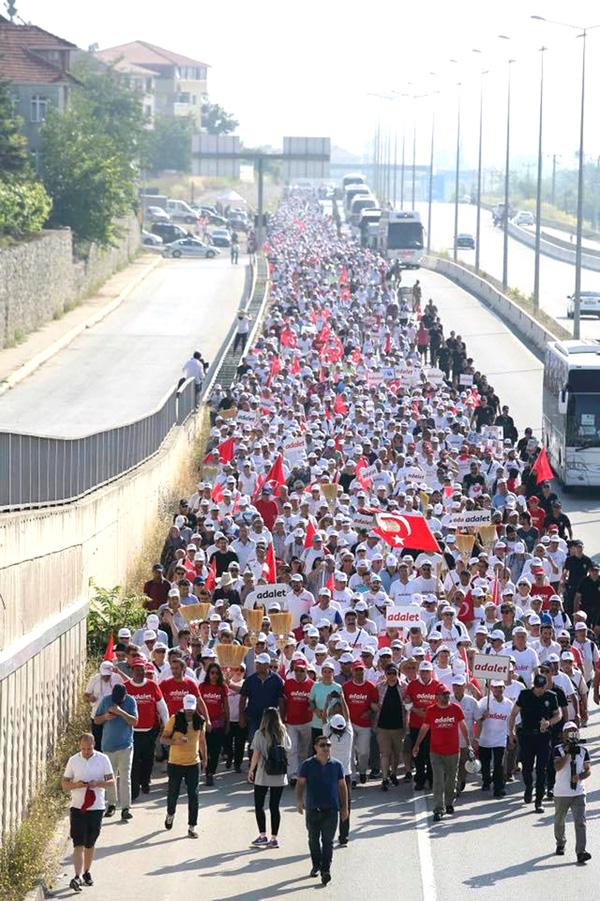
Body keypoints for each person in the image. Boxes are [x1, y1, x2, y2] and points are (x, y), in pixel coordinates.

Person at [62, 733, 114, 893]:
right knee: (78, 842)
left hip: (96, 807)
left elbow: (112, 782)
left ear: (94, 745)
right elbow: (64, 783)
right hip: (78, 807)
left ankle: (86, 872)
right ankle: (76, 876)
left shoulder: (103, 759)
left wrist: (98, 783)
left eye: (89, 749)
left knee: (90, 842)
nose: (86, 752)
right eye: (83, 749)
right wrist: (76, 785)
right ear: (79, 747)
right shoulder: (73, 760)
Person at [412, 684, 471, 821]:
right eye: (442, 694)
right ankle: (438, 808)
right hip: (436, 751)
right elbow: (425, 728)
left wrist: (468, 745)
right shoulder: (431, 711)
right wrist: (417, 745)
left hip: (452, 751)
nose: (446, 696)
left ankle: (449, 802)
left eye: (447, 694)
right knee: (438, 780)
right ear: (436, 697)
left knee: (451, 779)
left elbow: (463, 726)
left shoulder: (456, 709)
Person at [296, 734, 349, 886]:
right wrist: (299, 801)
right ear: (315, 748)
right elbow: (300, 784)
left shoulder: (337, 765)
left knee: (328, 841)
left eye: (328, 745)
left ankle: (326, 870)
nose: (326, 748)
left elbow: (342, 786)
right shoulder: (307, 764)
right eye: (322, 745)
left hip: (331, 810)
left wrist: (344, 808)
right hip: (313, 809)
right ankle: (316, 865)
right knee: (313, 839)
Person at [508, 672, 562, 812]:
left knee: (541, 769)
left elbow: (558, 714)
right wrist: (511, 732)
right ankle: (528, 787)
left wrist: (549, 722)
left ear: (545, 687)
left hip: (543, 737)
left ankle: (539, 800)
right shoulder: (525, 695)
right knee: (526, 767)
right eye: (537, 687)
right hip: (527, 736)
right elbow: (513, 713)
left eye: (541, 687)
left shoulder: (551, 696)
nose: (539, 690)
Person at [162, 694, 207, 838]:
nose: (189, 712)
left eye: (191, 709)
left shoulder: (199, 721)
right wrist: (176, 742)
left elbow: (202, 741)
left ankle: (192, 826)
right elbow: (163, 739)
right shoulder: (174, 720)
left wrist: (204, 758)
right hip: (175, 763)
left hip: (193, 763)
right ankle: (170, 814)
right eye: (187, 709)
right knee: (173, 793)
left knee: (194, 795)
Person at [248, 707, 292, 848]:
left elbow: (256, 754)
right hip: (279, 774)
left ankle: (262, 835)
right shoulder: (283, 732)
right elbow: (288, 749)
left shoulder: (260, 733)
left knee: (259, 805)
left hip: (263, 773)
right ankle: (274, 838)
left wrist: (251, 770)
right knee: (275, 806)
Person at [94, 684, 138, 821]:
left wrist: (121, 712)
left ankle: (125, 808)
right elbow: (96, 720)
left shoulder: (130, 701)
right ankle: (111, 805)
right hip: (108, 746)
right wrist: (105, 717)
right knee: (110, 777)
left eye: (119, 700)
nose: (116, 702)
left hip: (125, 746)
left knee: (125, 777)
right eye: (115, 699)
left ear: (125, 695)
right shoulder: (106, 700)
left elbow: (135, 721)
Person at [553, 721, 592, 864]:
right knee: (559, 821)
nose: (572, 733)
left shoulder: (583, 750)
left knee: (580, 822)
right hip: (562, 792)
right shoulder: (558, 750)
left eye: (575, 730)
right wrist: (568, 753)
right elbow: (557, 767)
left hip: (578, 792)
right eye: (569, 731)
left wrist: (580, 777)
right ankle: (560, 842)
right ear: (564, 734)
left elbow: (588, 769)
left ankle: (581, 852)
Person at [473, 681, 513, 798]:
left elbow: (511, 721)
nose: (497, 690)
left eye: (500, 687)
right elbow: (477, 718)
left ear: (503, 688)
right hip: (485, 739)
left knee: (498, 765)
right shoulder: (484, 702)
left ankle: (498, 788)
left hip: (500, 739)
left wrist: (511, 735)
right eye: (494, 687)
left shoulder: (508, 704)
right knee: (485, 763)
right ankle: (486, 781)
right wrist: (483, 716)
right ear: (491, 688)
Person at [199, 662, 230, 785]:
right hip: (204, 723)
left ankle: (210, 773)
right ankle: (204, 769)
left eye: (217, 673)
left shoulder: (222, 687)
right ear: (208, 674)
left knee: (215, 750)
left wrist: (227, 723)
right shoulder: (202, 686)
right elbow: (198, 704)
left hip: (218, 723)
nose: (214, 676)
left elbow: (226, 706)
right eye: (212, 673)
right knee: (203, 749)